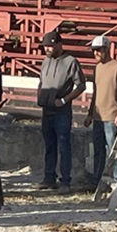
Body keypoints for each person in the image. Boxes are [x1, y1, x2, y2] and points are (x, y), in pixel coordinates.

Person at [36, 31, 85, 190]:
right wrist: (39, 96)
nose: (47, 49)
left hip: (61, 111)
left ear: (59, 44)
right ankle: (49, 178)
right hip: (47, 109)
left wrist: (64, 100)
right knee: (49, 146)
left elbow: (81, 85)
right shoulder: (45, 61)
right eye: (45, 46)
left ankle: (65, 180)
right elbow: (41, 81)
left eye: (50, 46)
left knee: (64, 145)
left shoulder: (71, 62)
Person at [84, 36, 117, 186]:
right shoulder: (97, 68)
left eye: (98, 50)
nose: (96, 53)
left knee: (114, 151)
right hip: (98, 117)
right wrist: (90, 114)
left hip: (112, 117)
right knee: (98, 150)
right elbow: (96, 93)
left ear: (106, 49)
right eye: (94, 50)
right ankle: (98, 180)